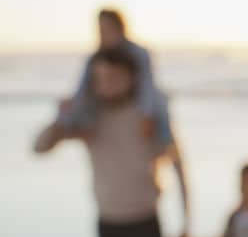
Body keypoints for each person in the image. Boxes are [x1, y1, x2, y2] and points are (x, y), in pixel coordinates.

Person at [34, 48, 190, 237]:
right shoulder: (89, 119)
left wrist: (186, 220)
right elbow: (40, 147)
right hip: (108, 225)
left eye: (115, 76)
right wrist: (60, 119)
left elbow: (179, 162)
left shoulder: (148, 116)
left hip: (146, 222)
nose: (107, 83)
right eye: (100, 78)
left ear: (132, 78)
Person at [59, 8, 172, 145]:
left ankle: (165, 143)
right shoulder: (95, 55)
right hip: (105, 96)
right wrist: (73, 103)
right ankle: (73, 128)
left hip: (135, 94)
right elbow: (83, 85)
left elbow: (147, 84)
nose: (103, 34)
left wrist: (146, 114)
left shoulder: (138, 52)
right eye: (101, 30)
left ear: (120, 28)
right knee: (71, 104)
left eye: (107, 29)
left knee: (160, 100)